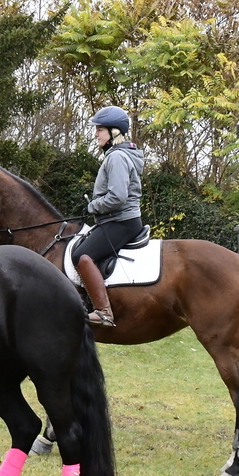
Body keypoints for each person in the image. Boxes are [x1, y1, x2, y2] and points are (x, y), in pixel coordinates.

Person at [71, 106, 144, 327]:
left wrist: (93, 206)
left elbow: (117, 197)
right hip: (120, 220)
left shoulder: (117, 157)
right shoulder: (120, 155)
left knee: (82, 255)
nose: (96, 134)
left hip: (122, 221)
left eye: (100, 129)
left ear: (114, 132)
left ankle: (104, 311)